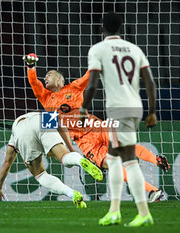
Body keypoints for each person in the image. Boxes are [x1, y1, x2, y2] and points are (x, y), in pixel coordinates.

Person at [22, 54, 169, 203]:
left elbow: (89, 75)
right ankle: (153, 191)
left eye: (49, 75)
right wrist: (30, 67)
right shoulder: (46, 98)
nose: (45, 78)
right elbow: (34, 83)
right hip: (85, 142)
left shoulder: (73, 87)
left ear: (60, 79)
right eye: (45, 76)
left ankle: (155, 160)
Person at [80, 12, 157, 227]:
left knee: (129, 160)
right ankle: (114, 211)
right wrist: (152, 111)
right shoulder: (134, 49)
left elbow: (93, 84)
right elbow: (150, 82)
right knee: (113, 157)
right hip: (135, 108)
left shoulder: (98, 49)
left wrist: (82, 109)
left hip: (118, 110)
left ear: (102, 29)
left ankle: (142, 212)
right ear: (121, 28)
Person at [0, 112, 103, 208]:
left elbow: (7, 162)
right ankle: (79, 160)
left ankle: (71, 193)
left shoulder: (14, 133)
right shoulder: (39, 114)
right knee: (65, 158)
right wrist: (71, 149)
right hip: (41, 118)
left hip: (22, 132)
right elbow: (61, 125)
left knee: (40, 175)